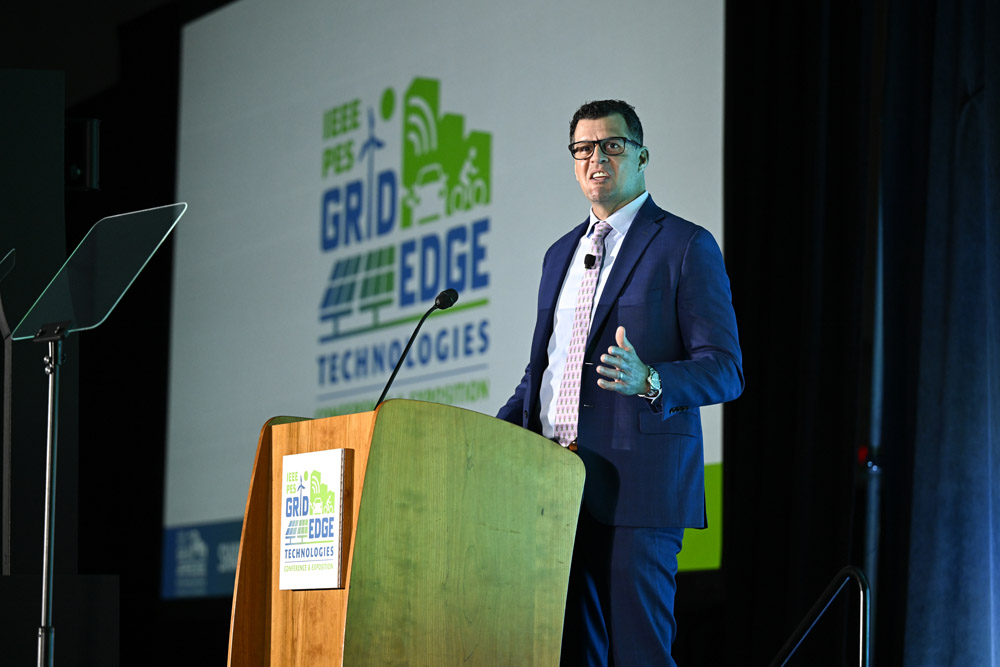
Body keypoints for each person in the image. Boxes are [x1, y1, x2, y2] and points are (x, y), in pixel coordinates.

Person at [497, 99, 744, 665]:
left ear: (642, 156)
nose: (596, 158)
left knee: (639, 655)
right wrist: (488, 435)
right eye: (583, 148)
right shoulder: (559, 254)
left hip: (639, 489)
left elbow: (725, 369)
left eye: (612, 145)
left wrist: (650, 378)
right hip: (553, 488)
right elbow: (546, 370)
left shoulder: (684, 245)